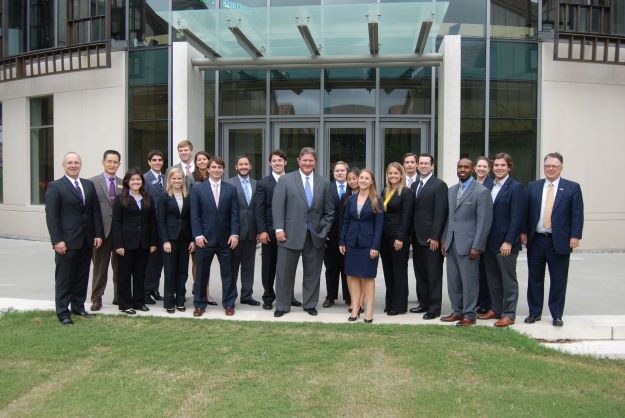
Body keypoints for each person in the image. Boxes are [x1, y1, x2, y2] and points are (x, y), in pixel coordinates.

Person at [521, 152, 583, 327]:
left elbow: (577, 214)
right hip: (537, 240)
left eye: (554, 166)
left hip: (560, 241)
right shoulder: (533, 186)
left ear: (561, 167)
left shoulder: (572, 187)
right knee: (534, 278)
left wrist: (575, 236)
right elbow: (527, 211)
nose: (550, 169)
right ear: (544, 167)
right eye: (547, 165)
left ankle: (556, 314)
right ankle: (534, 312)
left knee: (558, 279)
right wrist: (524, 231)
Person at [272, 147, 334, 318]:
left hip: (315, 236)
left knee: (313, 273)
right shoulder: (286, 180)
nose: (307, 163)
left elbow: (329, 211)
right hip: (289, 234)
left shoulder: (324, 183)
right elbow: (278, 207)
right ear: (299, 161)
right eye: (304, 160)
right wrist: (279, 229)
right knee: (284, 272)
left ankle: (310, 304)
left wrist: (324, 229)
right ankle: (283, 305)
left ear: (315, 162)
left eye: (311, 160)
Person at [45, 152, 103, 325]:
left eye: (76, 162)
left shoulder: (88, 185)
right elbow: (52, 216)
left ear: (80, 164)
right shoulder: (55, 187)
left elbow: (95, 212)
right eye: (69, 162)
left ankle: (78, 307)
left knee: (81, 276)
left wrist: (98, 234)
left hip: (86, 240)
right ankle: (63, 312)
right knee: (64, 278)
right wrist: (57, 240)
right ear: (64, 165)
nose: (73, 165)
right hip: (67, 242)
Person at [441, 158, 493, 326]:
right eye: (459, 167)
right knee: (453, 281)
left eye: (466, 167)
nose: (462, 169)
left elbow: (484, 222)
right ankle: (457, 311)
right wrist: (444, 240)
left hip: (470, 245)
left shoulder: (481, 191)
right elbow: (450, 218)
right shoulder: (451, 190)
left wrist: (477, 245)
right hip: (452, 243)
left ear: (472, 170)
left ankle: (470, 315)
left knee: (469, 281)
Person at [480, 153, 527, 327]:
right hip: (489, 242)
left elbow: (516, 218)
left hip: (505, 244)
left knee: (508, 280)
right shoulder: (490, 186)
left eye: (502, 165)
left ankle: (509, 314)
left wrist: (509, 240)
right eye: (496, 165)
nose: (499, 168)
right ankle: (495, 309)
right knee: (493, 278)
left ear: (509, 167)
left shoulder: (516, 188)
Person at [190, 156, 240, 317]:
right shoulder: (198, 189)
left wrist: (234, 234)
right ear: (208, 169)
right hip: (204, 239)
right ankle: (199, 304)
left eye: (219, 167)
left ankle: (229, 304)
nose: (216, 170)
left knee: (228, 274)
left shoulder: (231, 189)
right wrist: (197, 235)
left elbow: (234, 215)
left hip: (226, 240)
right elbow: (195, 214)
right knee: (201, 274)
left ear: (223, 170)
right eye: (214, 167)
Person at [255, 150, 302, 310]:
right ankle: (268, 297)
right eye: (274, 161)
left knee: (288, 267)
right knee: (269, 266)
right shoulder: (263, 183)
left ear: (285, 163)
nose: (277, 163)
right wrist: (261, 231)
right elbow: (259, 209)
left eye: (280, 161)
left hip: (290, 232)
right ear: (270, 163)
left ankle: (288, 295)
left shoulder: (294, 181)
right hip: (269, 233)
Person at [340, 169, 384, 323]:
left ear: (372, 181)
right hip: (352, 243)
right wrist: (342, 241)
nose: (363, 180)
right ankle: (355, 308)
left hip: (368, 245)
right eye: (361, 178)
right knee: (353, 277)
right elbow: (346, 221)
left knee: (367, 277)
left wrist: (375, 246)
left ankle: (369, 310)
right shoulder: (351, 199)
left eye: (367, 178)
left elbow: (379, 225)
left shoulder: (376, 200)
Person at [112, 168, 157, 315]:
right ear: (127, 182)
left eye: (138, 179)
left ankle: (139, 302)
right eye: (133, 180)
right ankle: (125, 304)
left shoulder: (147, 198)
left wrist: (153, 243)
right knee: (124, 275)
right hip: (125, 244)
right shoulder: (120, 199)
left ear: (142, 182)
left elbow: (152, 222)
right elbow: (116, 223)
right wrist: (118, 244)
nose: (136, 182)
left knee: (140, 274)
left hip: (143, 243)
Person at [410, 153, 448, 319]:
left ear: (432, 166)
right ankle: (423, 303)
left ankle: (434, 307)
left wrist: (435, 236)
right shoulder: (414, 185)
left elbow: (441, 213)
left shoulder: (439, 185)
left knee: (433, 274)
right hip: (417, 238)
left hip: (431, 239)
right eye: (421, 163)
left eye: (427, 163)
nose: (423, 166)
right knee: (420, 273)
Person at [157, 168, 195, 314]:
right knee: (170, 271)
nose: (177, 181)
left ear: (183, 180)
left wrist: (192, 239)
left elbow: (191, 219)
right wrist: (165, 240)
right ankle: (169, 302)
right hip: (170, 240)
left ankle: (180, 300)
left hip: (185, 239)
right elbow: (161, 220)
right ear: (169, 180)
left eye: (179, 179)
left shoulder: (188, 196)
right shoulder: (164, 196)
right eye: (174, 179)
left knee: (183, 272)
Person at [89, 150, 122, 311]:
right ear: (103, 162)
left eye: (115, 162)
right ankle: (96, 298)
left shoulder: (124, 183)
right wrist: (95, 233)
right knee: (100, 269)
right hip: (101, 234)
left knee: (120, 267)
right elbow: (89, 211)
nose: (112, 165)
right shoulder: (92, 183)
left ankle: (118, 296)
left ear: (119, 164)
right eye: (109, 161)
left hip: (119, 234)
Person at [380, 163, 413, 315]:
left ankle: (399, 306)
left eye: (396, 173)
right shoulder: (385, 191)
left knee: (398, 272)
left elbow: (406, 217)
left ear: (401, 175)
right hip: (384, 238)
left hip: (398, 239)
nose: (393, 176)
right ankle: (390, 303)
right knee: (388, 272)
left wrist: (400, 238)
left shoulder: (406, 192)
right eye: (390, 173)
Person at [227, 155, 260, 306]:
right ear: (236, 166)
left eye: (246, 164)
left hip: (252, 233)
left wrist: (260, 230)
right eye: (241, 164)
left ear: (250, 166)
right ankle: (230, 297)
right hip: (234, 233)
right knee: (232, 267)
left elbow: (258, 209)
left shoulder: (256, 184)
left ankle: (247, 295)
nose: (244, 166)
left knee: (248, 266)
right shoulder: (228, 183)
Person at [323, 161, 352, 309]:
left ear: (347, 172)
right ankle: (330, 296)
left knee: (347, 268)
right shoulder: (327, 188)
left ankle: (349, 297)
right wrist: (325, 231)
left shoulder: (353, 188)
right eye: (337, 171)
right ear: (333, 173)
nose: (340, 173)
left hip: (348, 236)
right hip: (331, 236)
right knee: (331, 268)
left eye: (342, 170)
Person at [190, 150, 216, 305]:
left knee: (204, 263)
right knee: (197, 263)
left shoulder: (214, 176)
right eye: (198, 159)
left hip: (210, 227)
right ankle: (201, 292)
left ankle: (204, 292)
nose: (201, 162)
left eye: (204, 159)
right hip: (195, 224)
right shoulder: (190, 178)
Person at [143, 150, 165, 304]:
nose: (157, 163)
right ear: (149, 162)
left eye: (160, 160)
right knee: (149, 262)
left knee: (159, 262)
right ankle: (145, 292)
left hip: (163, 227)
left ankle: (154, 289)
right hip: (151, 226)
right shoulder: (144, 179)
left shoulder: (165, 178)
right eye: (154, 160)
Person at [474, 156, 494, 315]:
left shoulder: (492, 185)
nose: (481, 169)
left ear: (489, 169)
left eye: (484, 166)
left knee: (486, 271)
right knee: (476, 271)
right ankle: (478, 301)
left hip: (487, 235)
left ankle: (486, 303)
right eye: (479, 166)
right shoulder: (470, 184)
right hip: (471, 234)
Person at [345, 167, 363, 313]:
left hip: (364, 240)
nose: (352, 181)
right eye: (349, 179)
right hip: (349, 239)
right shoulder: (347, 196)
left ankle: (361, 303)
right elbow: (345, 220)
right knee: (350, 273)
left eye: (354, 178)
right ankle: (353, 301)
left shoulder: (371, 196)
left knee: (362, 274)